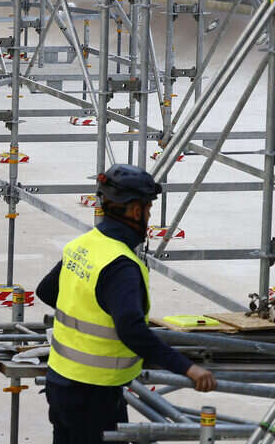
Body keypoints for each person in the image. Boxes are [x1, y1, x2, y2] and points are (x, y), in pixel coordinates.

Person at [37, 163, 217, 444]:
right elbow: (132, 331)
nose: (148, 216)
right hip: (94, 393)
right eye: (147, 209)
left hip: (60, 380)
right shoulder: (121, 266)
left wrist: (89, 311)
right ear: (135, 211)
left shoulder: (83, 244)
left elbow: (46, 291)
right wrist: (187, 367)